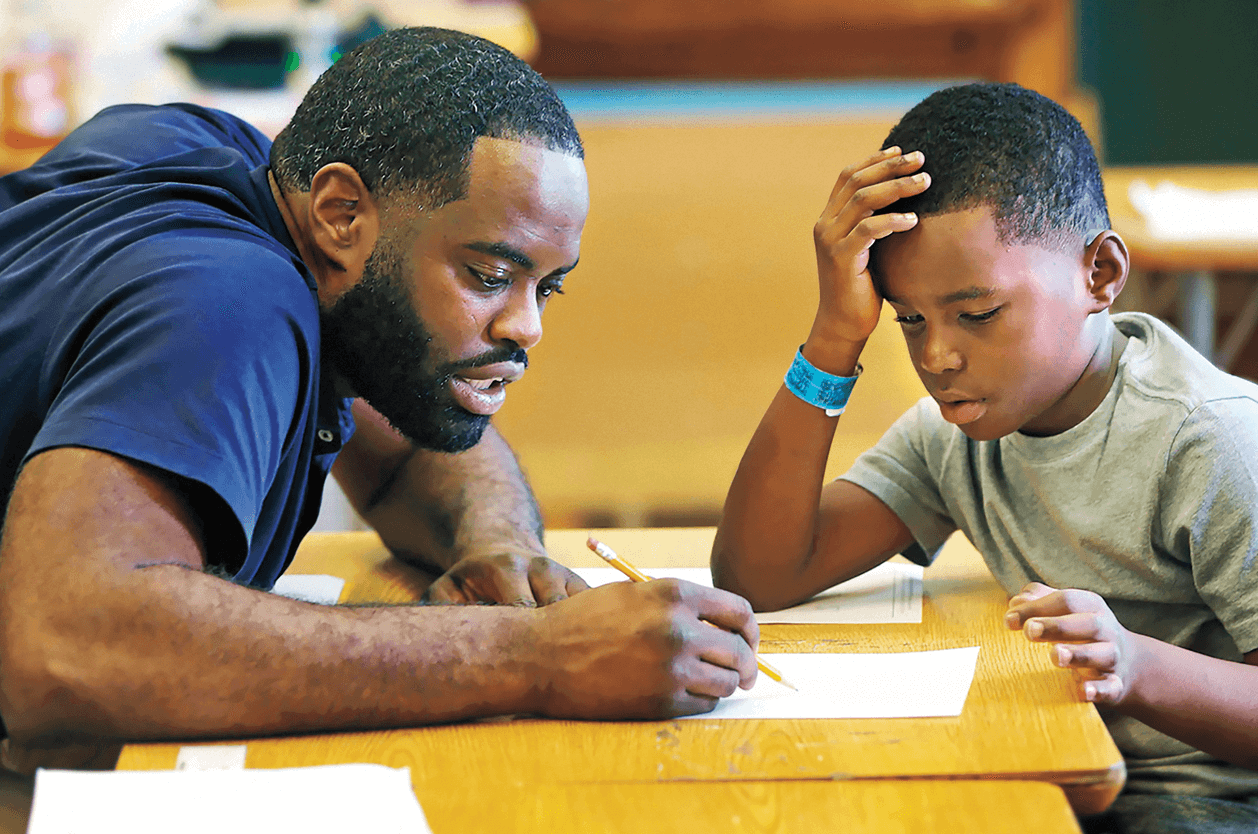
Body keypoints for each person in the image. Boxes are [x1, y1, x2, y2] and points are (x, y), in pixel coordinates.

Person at [0, 27, 760, 780]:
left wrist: (496, 540)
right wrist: (540, 656)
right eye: (490, 273)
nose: (527, 326)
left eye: (547, 286)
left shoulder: (194, 147)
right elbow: (63, 646)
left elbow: (398, 445)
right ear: (339, 213)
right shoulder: (231, 300)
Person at [711, 83, 1258, 834]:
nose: (939, 356)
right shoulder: (959, 431)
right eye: (908, 320)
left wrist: (1134, 665)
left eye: (978, 313)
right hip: (1061, 784)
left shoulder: (1215, 439)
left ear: (1100, 272)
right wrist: (834, 334)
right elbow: (761, 571)